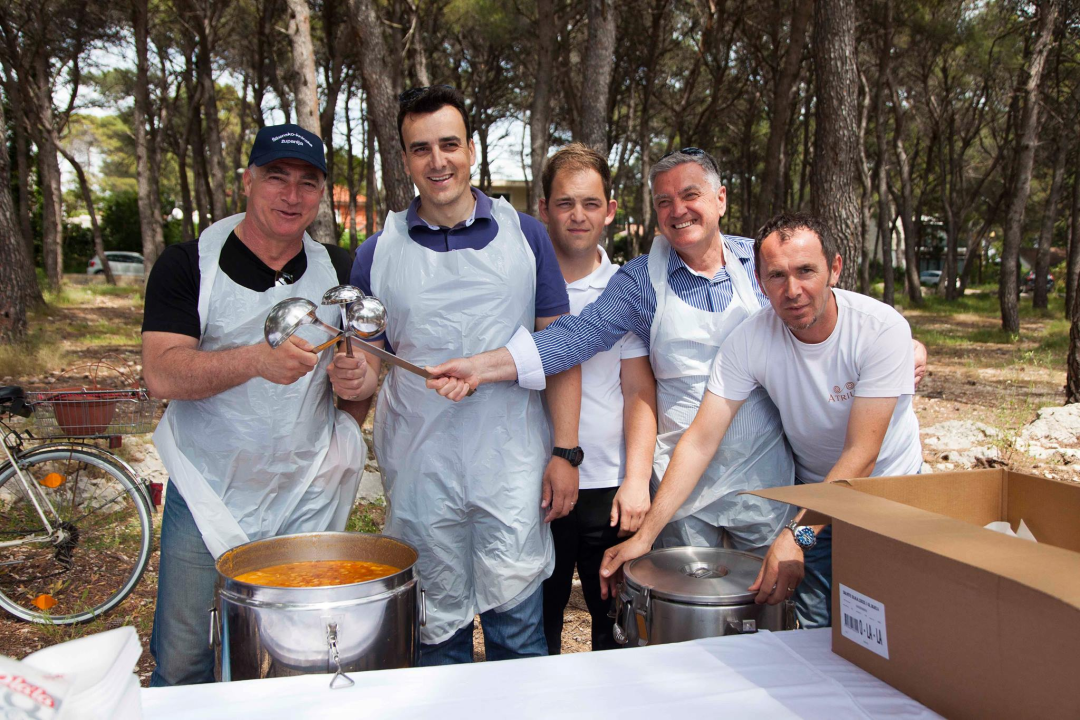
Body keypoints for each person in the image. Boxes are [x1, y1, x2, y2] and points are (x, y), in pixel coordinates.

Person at [428, 149, 800, 557]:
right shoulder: (640, 280)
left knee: (772, 605)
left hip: (764, 480)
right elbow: (573, 336)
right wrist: (480, 368)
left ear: (721, 199)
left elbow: (813, 328)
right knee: (690, 613)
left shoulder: (761, 264)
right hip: (681, 493)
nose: (678, 211)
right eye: (664, 202)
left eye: (690, 195)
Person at [328, 85, 581, 665]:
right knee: (437, 638)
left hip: (511, 468)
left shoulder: (527, 237)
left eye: (448, 144)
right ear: (405, 159)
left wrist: (565, 453)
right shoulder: (377, 252)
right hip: (421, 468)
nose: (437, 161)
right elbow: (369, 368)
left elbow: (560, 350)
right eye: (421, 149)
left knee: (518, 634)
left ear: (471, 150)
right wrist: (352, 378)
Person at [598, 211, 924, 629]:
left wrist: (794, 537)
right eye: (776, 276)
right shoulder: (751, 340)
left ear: (835, 269)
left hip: (889, 491)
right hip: (815, 495)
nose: (793, 290)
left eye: (806, 271)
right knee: (809, 626)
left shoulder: (881, 330)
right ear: (759, 279)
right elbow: (700, 441)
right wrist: (645, 535)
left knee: (887, 623)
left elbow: (862, 455)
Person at [142, 123, 372, 686]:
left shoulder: (339, 272)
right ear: (247, 180)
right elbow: (161, 373)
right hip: (209, 489)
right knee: (184, 655)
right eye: (276, 178)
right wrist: (256, 362)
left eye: (307, 183)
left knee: (298, 655)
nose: (291, 196)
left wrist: (358, 381)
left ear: (322, 194)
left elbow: (360, 383)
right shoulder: (187, 264)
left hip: (304, 492)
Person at [536, 144, 657, 654]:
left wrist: (635, 480)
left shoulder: (625, 287)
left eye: (590, 203)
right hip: (535, 483)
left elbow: (638, 390)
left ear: (609, 210)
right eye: (565, 203)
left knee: (615, 628)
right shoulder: (522, 286)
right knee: (539, 624)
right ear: (543, 210)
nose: (578, 215)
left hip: (608, 487)